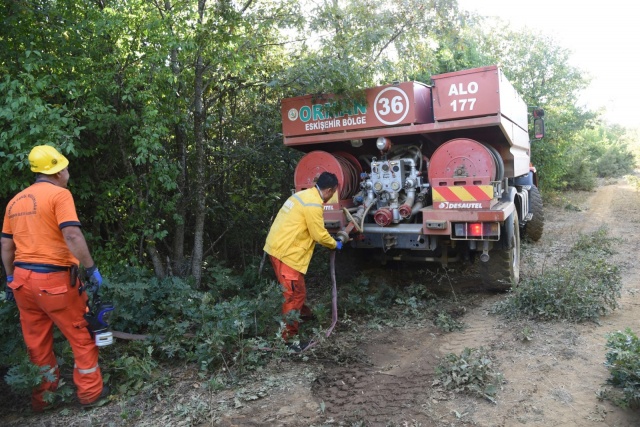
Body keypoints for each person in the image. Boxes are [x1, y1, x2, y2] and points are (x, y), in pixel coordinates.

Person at [1, 145, 108, 411]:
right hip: (54, 282)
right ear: (57, 170)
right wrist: (91, 268)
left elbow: (6, 245)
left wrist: (10, 279)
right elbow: (71, 235)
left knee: (36, 344)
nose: (68, 171)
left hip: (23, 281)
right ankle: (91, 394)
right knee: (82, 335)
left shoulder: (15, 201)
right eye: (66, 167)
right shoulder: (60, 195)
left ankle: (43, 399)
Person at [264, 171, 343, 350]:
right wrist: (334, 244)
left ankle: (303, 316)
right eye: (333, 193)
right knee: (293, 295)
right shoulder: (313, 204)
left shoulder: (302, 195)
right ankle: (288, 340)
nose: (332, 197)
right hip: (287, 254)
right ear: (329, 190)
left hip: (277, 248)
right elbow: (319, 234)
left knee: (296, 290)